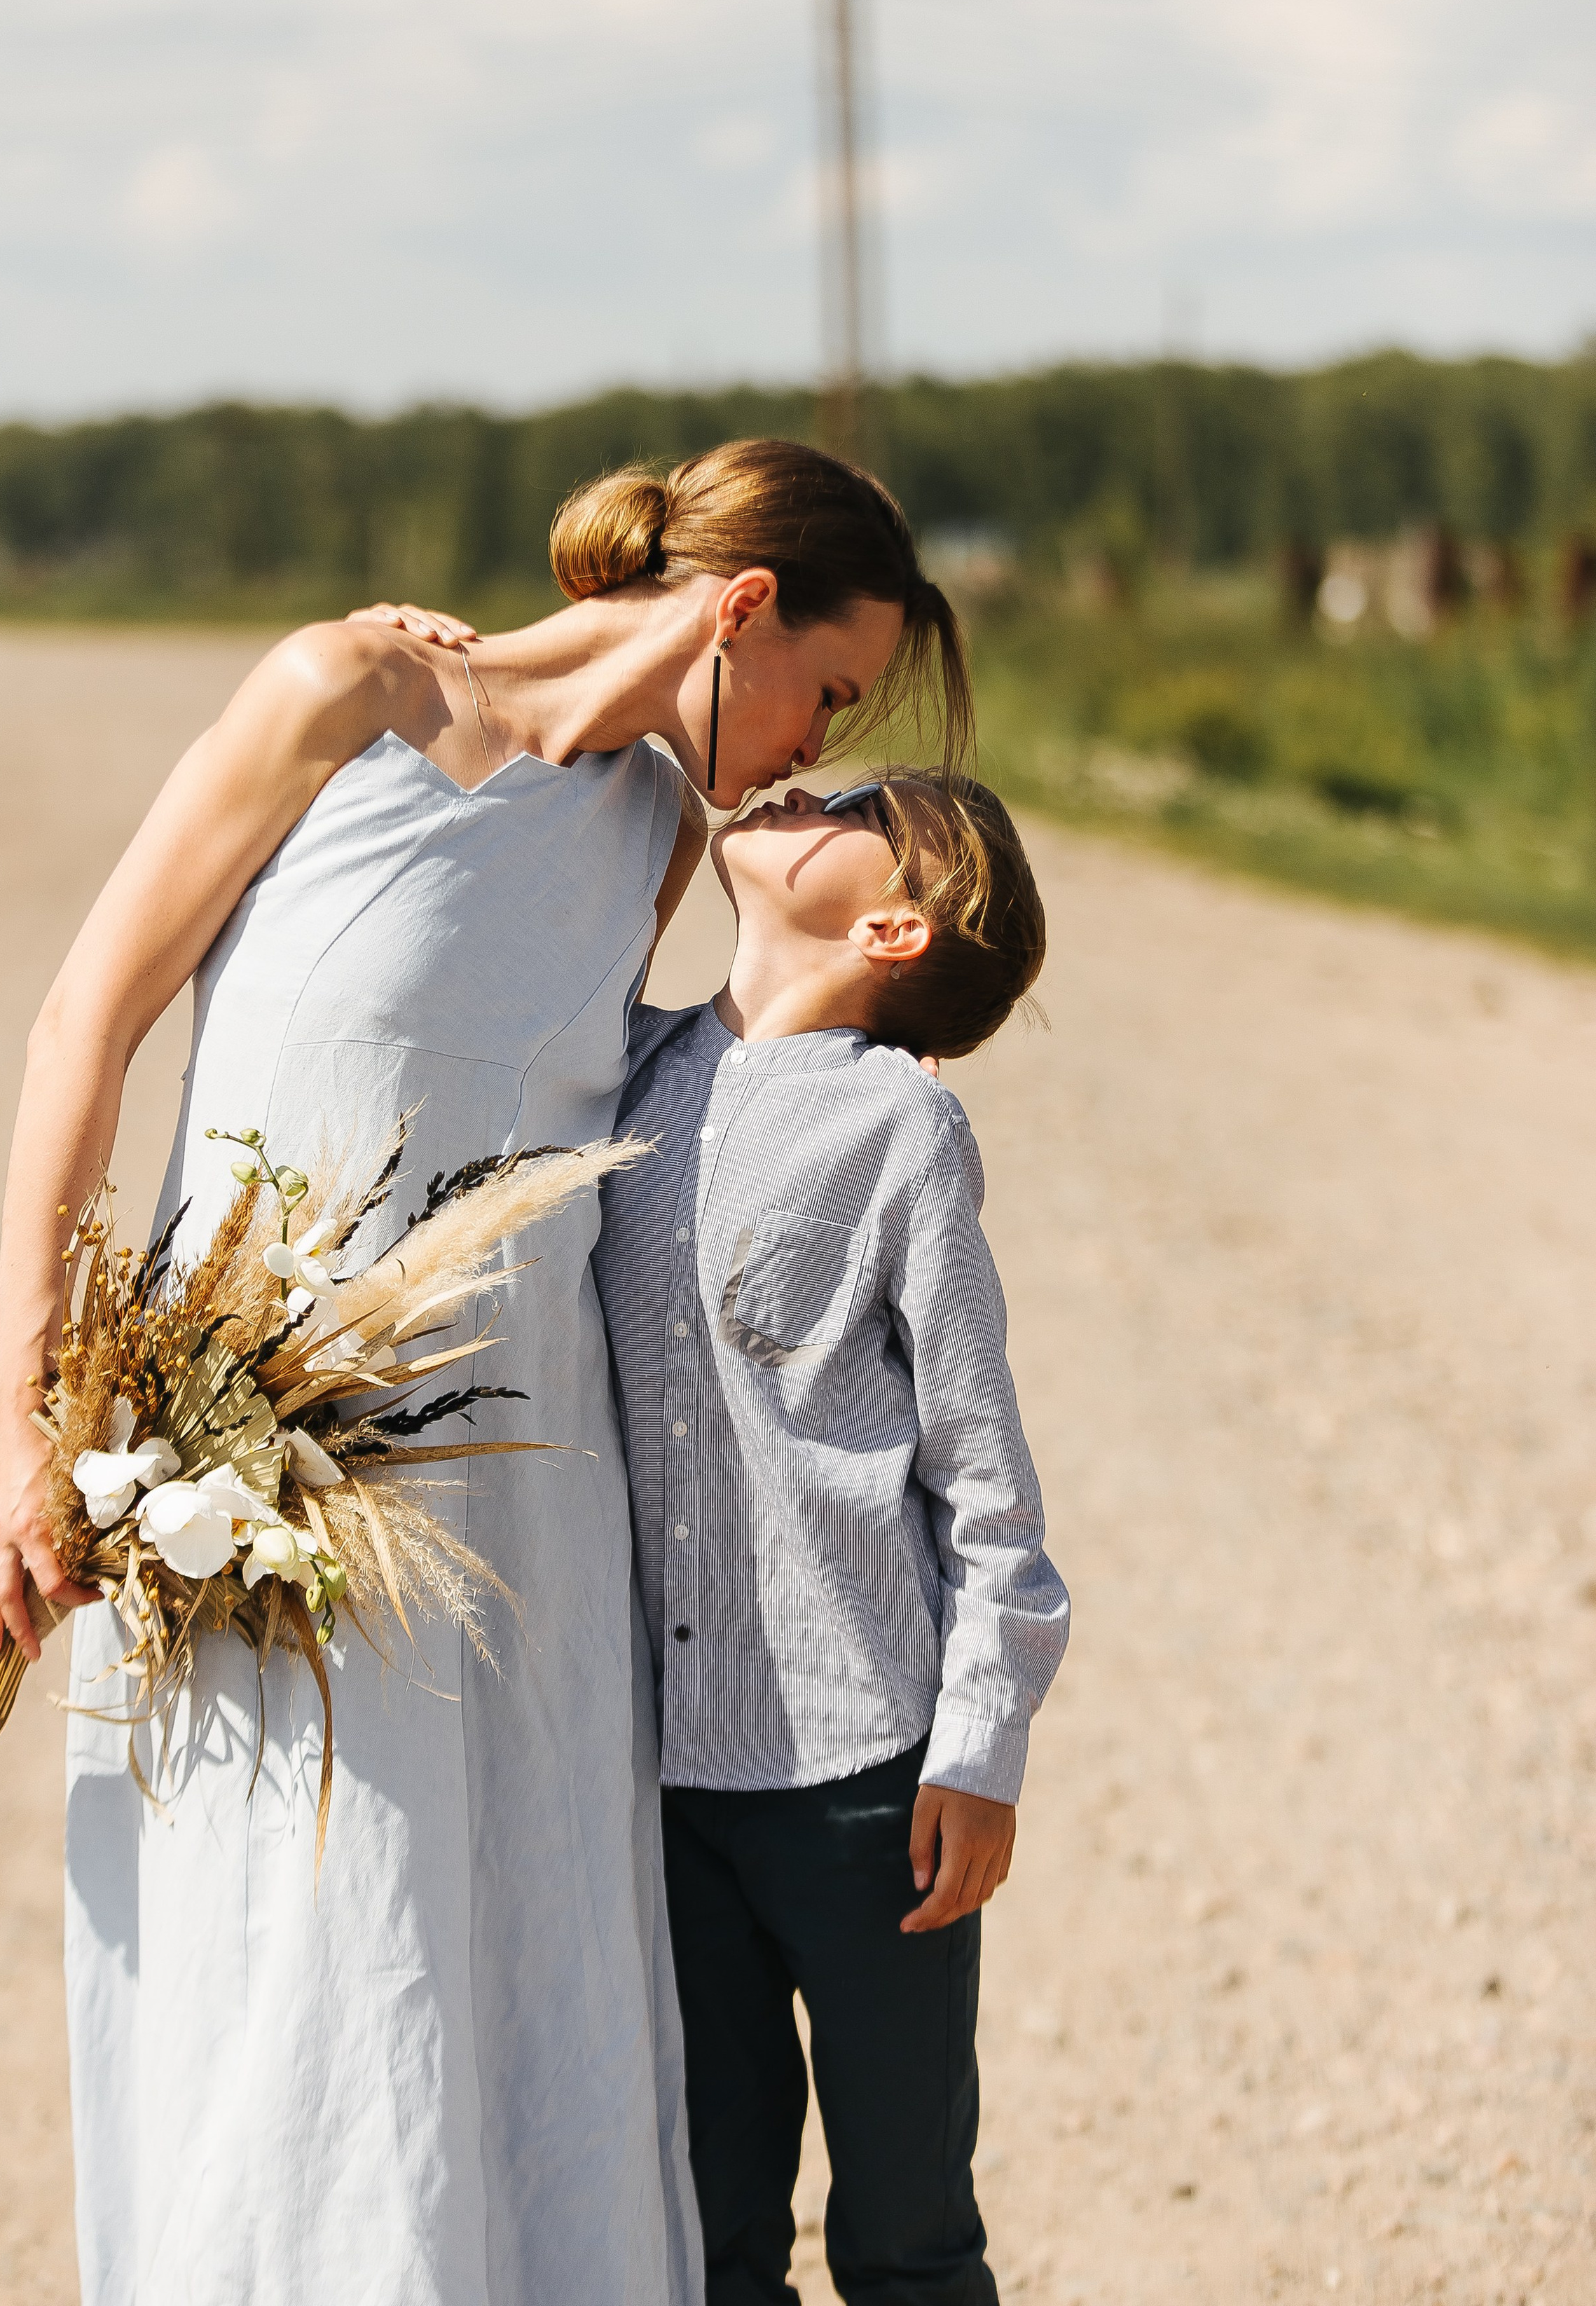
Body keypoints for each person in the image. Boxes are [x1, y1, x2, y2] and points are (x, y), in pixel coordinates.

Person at [0, 439, 975, 2306]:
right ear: (741, 605)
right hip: (255, 1471)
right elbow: (82, 1023)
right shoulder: (341, 690)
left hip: (527, 1518)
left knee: (509, 2005)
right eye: (829, 687)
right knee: (288, 1979)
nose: (816, 738)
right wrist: (27, 1423)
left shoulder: (672, 836)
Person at [593, 771, 1071, 2306]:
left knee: (903, 2232)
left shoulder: (897, 1130)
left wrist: (978, 1749)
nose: (805, 783)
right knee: (707, 2221)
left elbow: (984, 1485)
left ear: (891, 922)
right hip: (663, 1787)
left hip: (869, 1792)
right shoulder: (622, 1073)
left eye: (852, 801)